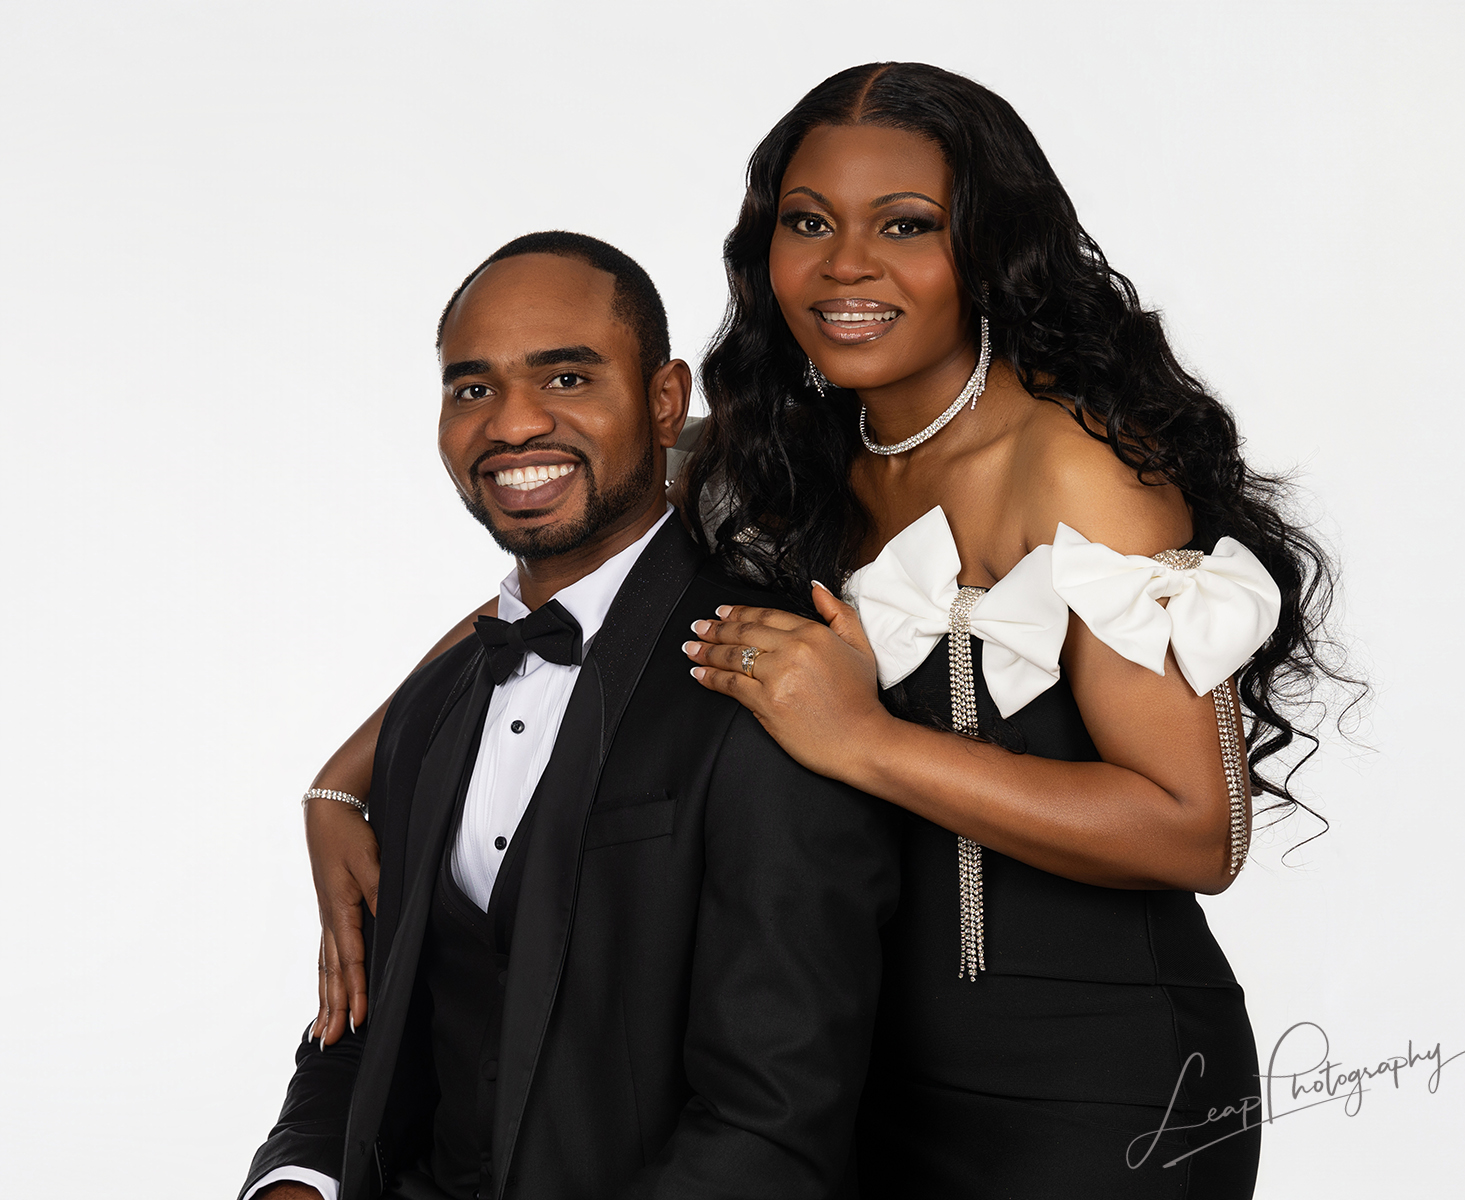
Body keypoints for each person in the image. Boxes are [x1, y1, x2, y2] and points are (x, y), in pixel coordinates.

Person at [302, 65, 1351, 1197]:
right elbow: (547, 608)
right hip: (857, 1083)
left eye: (905, 225)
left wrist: (865, 741)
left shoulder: (1076, 468)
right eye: (808, 224)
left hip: (1090, 1090)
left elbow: (1200, 832)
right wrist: (343, 786)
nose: (846, 266)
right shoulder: (778, 454)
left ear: (987, 248)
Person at [241, 230, 899, 1200]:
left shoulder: (773, 678)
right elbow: (365, 1035)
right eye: (473, 389)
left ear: (666, 399)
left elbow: (777, 1118)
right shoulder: (428, 710)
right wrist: (292, 1183)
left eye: (565, 378)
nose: (511, 426)